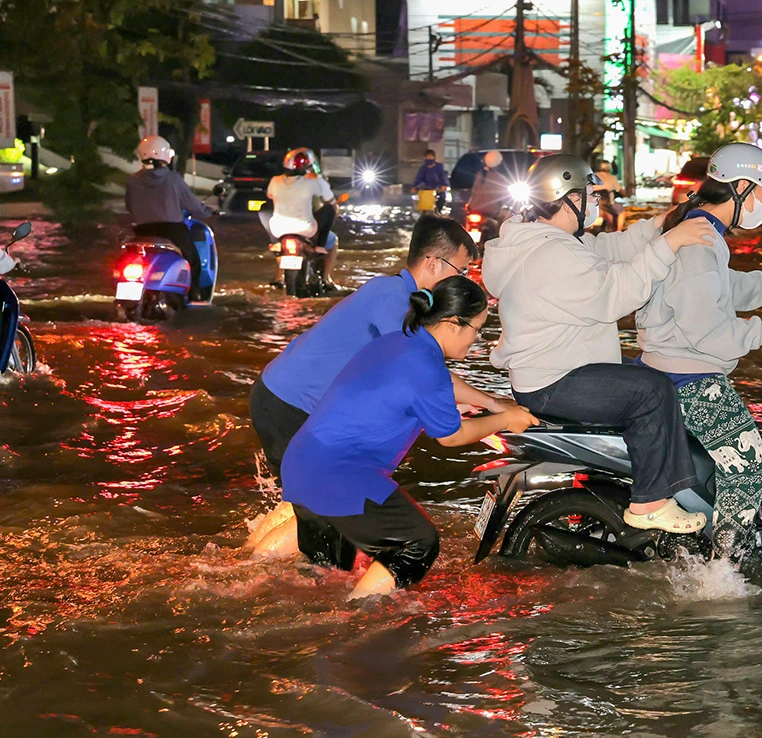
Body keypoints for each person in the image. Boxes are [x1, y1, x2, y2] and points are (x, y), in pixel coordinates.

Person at [251, 276, 540, 599]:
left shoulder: (401, 341)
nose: (477, 339)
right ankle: (357, 621)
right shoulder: (424, 366)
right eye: (477, 329)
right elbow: (452, 436)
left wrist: (490, 402)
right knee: (417, 543)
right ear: (452, 324)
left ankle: (256, 574)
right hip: (339, 473)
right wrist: (504, 419)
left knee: (325, 580)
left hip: (304, 463)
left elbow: (441, 382)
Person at [482, 153, 718, 534]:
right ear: (568, 197)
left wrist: (663, 224)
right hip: (555, 382)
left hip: (554, 369)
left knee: (649, 372)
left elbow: (608, 251)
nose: (597, 203)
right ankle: (650, 502)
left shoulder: (544, 241)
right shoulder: (552, 254)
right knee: (652, 391)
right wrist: (670, 243)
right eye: (591, 195)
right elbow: (616, 292)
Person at [636, 143, 762, 559]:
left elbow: (717, 288)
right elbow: (706, 328)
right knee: (749, 468)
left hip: (674, 364)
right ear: (743, 187)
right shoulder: (700, 241)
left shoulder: (702, 230)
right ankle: (725, 570)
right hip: (687, 375)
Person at [249, 214, 505, 480]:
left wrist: (449, 405)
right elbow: (420, 370)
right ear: (432, 263)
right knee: (320, 505)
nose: (463, 281)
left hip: (301, 405)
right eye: (461, 270)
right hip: (288, 404)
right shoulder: (391, 296)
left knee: (323, 504)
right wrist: (493, 403)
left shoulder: (406, 301)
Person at [124, 136, 214, 301]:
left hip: (142, 233)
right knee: (193, 259)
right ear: (166, 156)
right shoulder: (174, 179)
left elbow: (129, 207)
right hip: (172, 232)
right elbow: (193, 205)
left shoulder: (133, 180)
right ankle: (194, 294)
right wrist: (208, 211)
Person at [267, 148, 339, 288]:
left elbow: (270, 197)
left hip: (279, 231)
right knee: (333, 236)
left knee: (281, 245)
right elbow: (331, 203)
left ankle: (278, 276)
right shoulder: (314, 182)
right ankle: (326, 276)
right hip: (306, 230)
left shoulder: (274, 181)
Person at [467, 150, 509, 220]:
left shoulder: (480, 174)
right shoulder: (501, 178)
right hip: (492, 212)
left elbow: (474, 191)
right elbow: (504, 197)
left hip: (475, 209)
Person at [413, 149, 449, 213]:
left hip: (438, 192)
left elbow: (443, 177)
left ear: (434, 157)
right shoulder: (423, 169)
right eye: (427, 157)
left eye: (430, 157)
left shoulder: (439, 167)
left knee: (439, 204)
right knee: (425, 208)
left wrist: (444, 185)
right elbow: (418, 179)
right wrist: (415, 187)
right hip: (426, 193)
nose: (429, 159)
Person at [593, 160, 625, 231]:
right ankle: (618, 232)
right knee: (621, 211)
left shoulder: (592, 176)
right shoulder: (612, 177)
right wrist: (626, 194)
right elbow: (621, 191)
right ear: (609, 168)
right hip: (607, 204)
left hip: (592, 203)